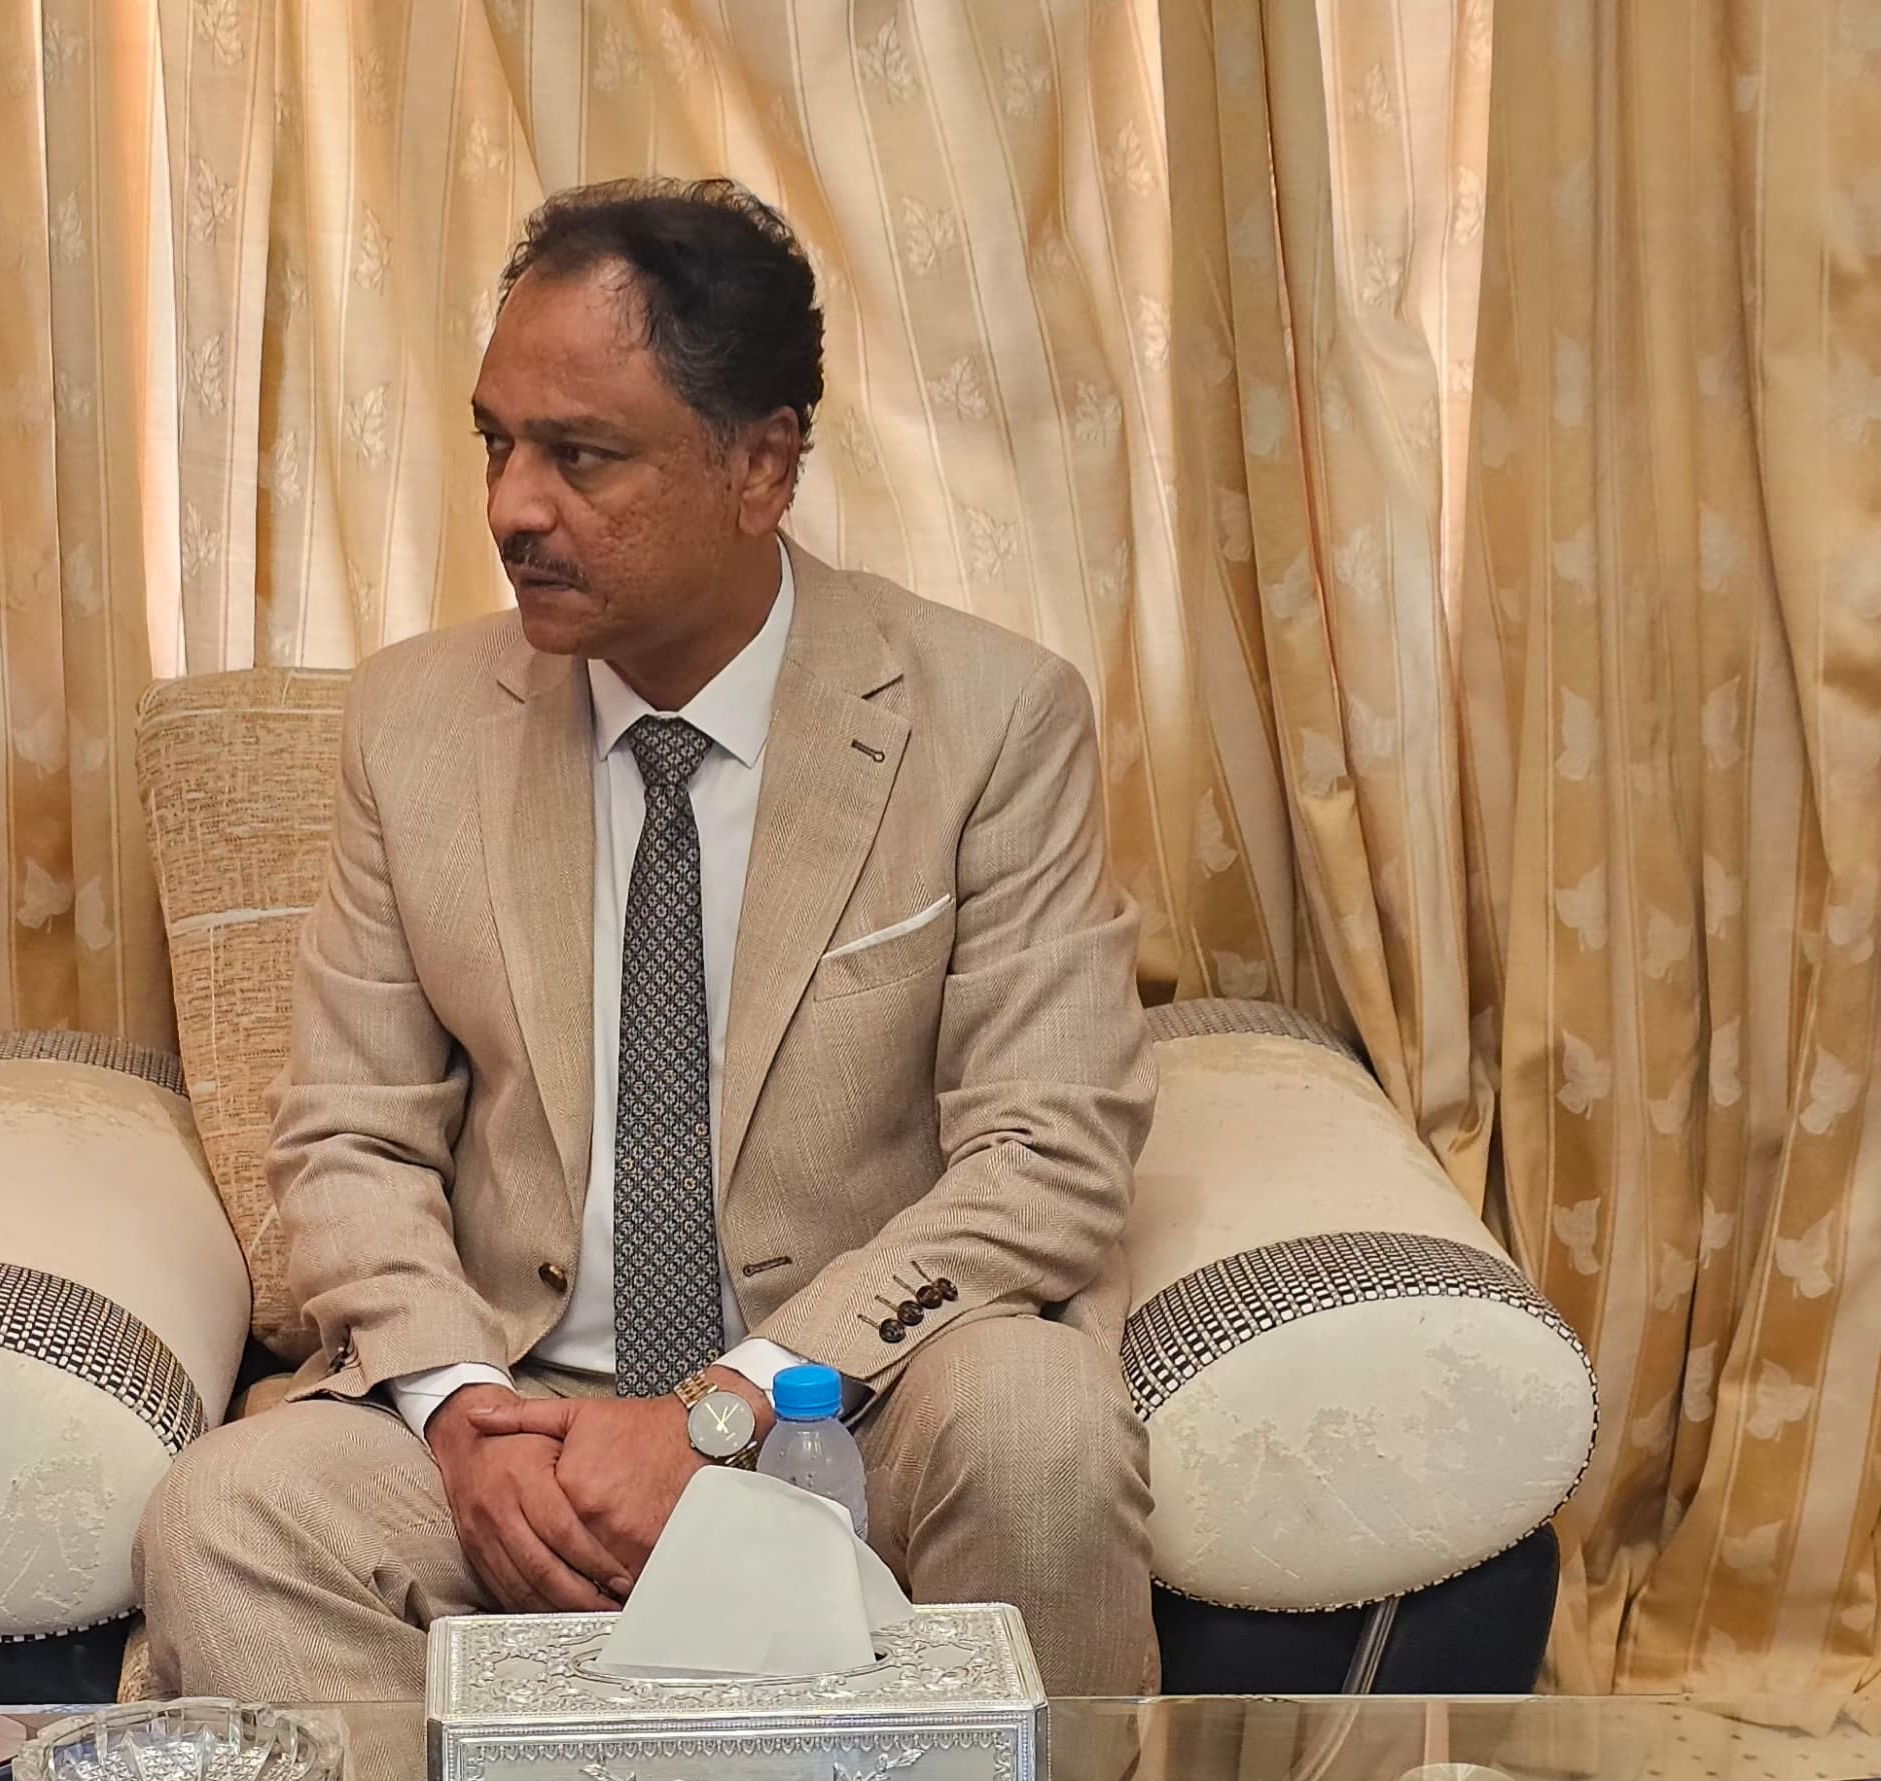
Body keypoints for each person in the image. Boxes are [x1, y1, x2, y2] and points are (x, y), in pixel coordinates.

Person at [138, 176, 1158, 1703]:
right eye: (496, 443)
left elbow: (1050, 1150)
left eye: (581, 455)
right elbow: (350, 1136)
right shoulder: (416, 726)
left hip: (852, 1399)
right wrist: (462, 1412)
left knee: (1041, 1423)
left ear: (763, 466)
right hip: (526, 1402)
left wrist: (721, 1413)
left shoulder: (990, 717)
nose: (513, 507)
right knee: (225, 1516)